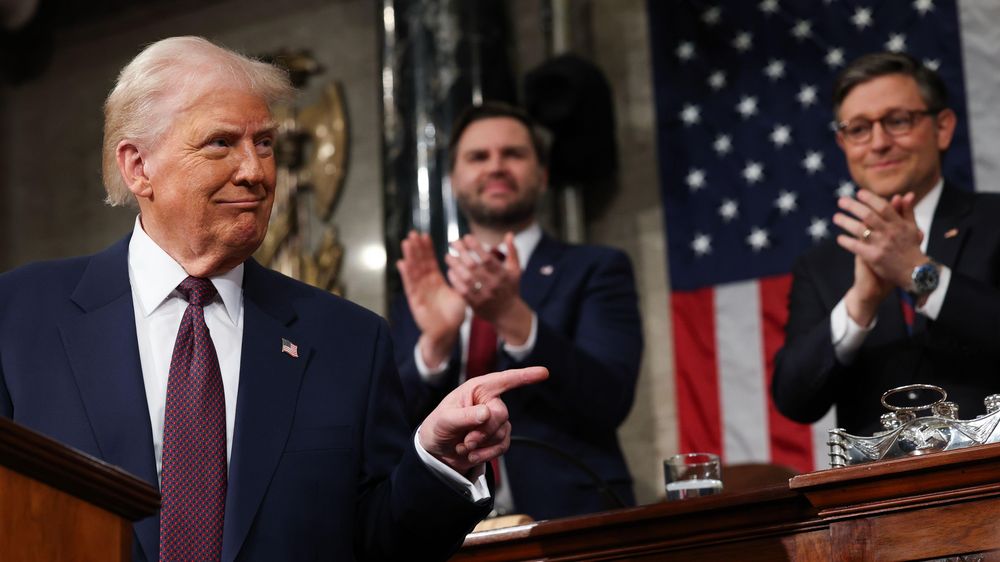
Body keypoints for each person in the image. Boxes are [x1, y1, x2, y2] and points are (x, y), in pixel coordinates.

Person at [0, 36, 548, 562]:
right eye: (221, 143)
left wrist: (437, 461)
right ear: (138, 166)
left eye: (264, 143)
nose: (256, 171)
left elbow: (380, 543)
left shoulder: (347, 340)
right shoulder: (21, 315)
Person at [390, 101, 642, 520]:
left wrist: (512, 316)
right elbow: (391, 423)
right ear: (453, 181)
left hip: (572, 520)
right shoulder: (428, 283)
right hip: (444, 527)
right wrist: (434, 348)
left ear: (542, 176)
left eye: (513, 154)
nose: (496, 166)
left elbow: (610, 400)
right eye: (478, 156)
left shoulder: (597, 268)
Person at [772, 52, 1000, 437]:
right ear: (843, 143)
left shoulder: (995, 219)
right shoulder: (822, 264)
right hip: (878, 491)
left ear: (942, 128)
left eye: (897, 121)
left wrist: (919, 275)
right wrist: (860, 303)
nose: (878, 143)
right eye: (858, 129)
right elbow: (794, 400)